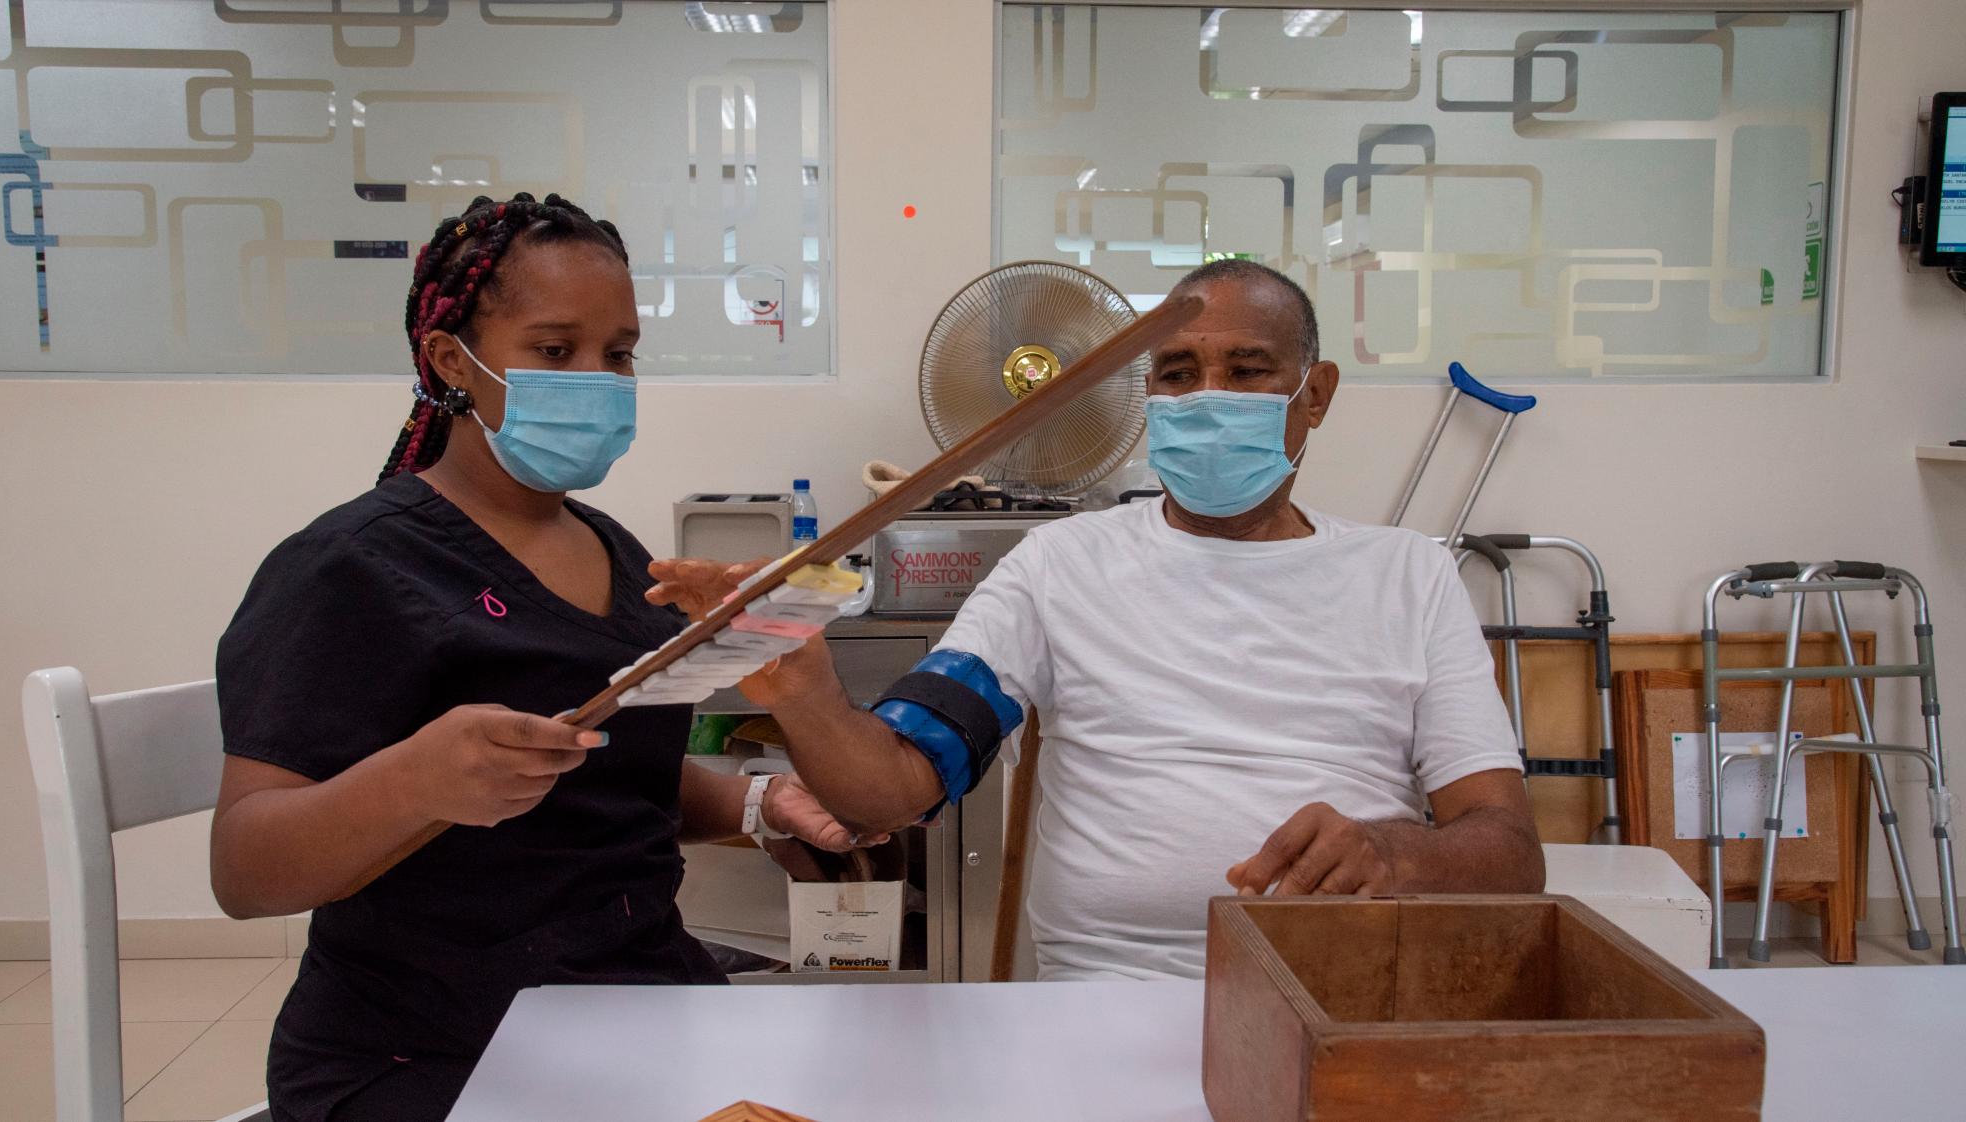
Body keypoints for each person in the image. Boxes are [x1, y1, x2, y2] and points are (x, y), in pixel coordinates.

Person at [651, 259, 1544, 982]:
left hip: (1336, 998)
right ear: (1145, 397)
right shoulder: (1061, 566)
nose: (1207, 399)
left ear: (1315, 394)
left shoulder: (1409, 577)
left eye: (1247, 370)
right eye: (1178, 373)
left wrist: (1399, 854)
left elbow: (1508, 852)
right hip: (1107, 1000)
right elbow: (891, 786)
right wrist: (806, 691)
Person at [209, 192, 873, 1122]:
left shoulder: (620, 556)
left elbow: (604, 781)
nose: (598, 380)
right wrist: (417, 781)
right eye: (557, 352)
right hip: (430, 1044)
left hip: (633, 1004)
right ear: (452, 361)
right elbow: (244, 871)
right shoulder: (351, 568)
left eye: (620, 353)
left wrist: (758, 803)